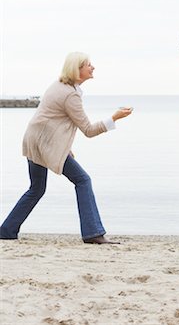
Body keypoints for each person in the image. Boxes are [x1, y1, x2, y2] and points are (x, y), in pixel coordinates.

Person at [0, 52, 133, 245]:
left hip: (35, 140)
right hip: (44, 144)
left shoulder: (60, 86)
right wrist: (114, 118)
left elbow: (53, 120)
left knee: (36, 188)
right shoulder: (70, 94)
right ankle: (93, 233)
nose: (93, 67)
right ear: (77, 69)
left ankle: (6, 230)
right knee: (83, 180)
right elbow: (88, 130)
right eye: (89, 64)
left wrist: (65, 146)